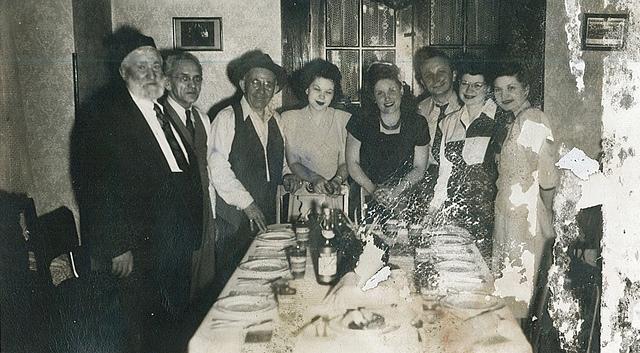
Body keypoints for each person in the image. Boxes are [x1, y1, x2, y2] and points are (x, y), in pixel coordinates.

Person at [72, 30, 202, 353]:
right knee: (141, 333)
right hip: (138, 250)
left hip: (174, 243)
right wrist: (117, 244)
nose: (152, 74)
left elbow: (175, 172)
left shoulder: (161, 112)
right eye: (142, 67)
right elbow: (94, 185)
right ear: (123, 71)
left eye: (156, 66)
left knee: (172, 327)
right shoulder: (103, 116)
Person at [209, 50, 299, 287]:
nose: (262, 90)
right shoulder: (227, 118)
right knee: (234, 283)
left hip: (267, 214)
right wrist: (248, 204)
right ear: (243, 84)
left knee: (264, 279)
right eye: (256, 82)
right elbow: (217, 168)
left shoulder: (276, 120)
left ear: (275, 89)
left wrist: (288, 175)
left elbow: (280, 162)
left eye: (268, 84)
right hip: (234, 220)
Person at [491, 62, 558, 318]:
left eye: (511, 88)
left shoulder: (532, 119)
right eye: (498, 90)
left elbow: (548, 176)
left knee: (519, 289)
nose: (504, 95)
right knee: (511, 288)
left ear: (526, 89)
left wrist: (546, 214)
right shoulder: (515, 121)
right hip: (508, 211)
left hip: (525, 216)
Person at [426, 57, 501, 262]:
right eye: (465, 83)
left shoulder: (501, 120)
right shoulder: (448, 122)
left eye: (477, 85)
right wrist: (433, 209)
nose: (469, 89)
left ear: (488, 88)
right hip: (455, 216)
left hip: (490, 217)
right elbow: (445, 173)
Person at [160, 51, 216, 302]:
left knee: (202, 289)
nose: (192, 85)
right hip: (173, 224)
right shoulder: (158, 119)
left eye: (197, 79)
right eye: (184, 78)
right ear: (168, 82)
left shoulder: (202, 119)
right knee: (176, 295)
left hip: (203, 215)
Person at [345, 62, 429, 219]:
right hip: (367, 193)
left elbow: (419, 168)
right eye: (380, 93)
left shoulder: (418, 123)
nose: (387, 97)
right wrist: (374, 190)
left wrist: (395, 192)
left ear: (401, 90)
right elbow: (352, 164)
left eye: (392, 90)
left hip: (405, 195)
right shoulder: (360, 122)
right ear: (373, 97)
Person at [281, 59, 350, 195]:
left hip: (334, 192)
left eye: (328, 92)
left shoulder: (343, 119)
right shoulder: (289, 118)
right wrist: (315, 178)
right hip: (301, 192)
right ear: (307, 89)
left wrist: (337, 180)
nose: (322, 96)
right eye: (317, 89)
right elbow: (293, 162)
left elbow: (345, 162)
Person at [414, 47, 464, 179]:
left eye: (441, 71)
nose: (435, 79)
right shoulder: (419, 111)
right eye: (428, 75)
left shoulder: (467, 106)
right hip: (428, 180)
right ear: (422, 83)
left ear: (453, 75)